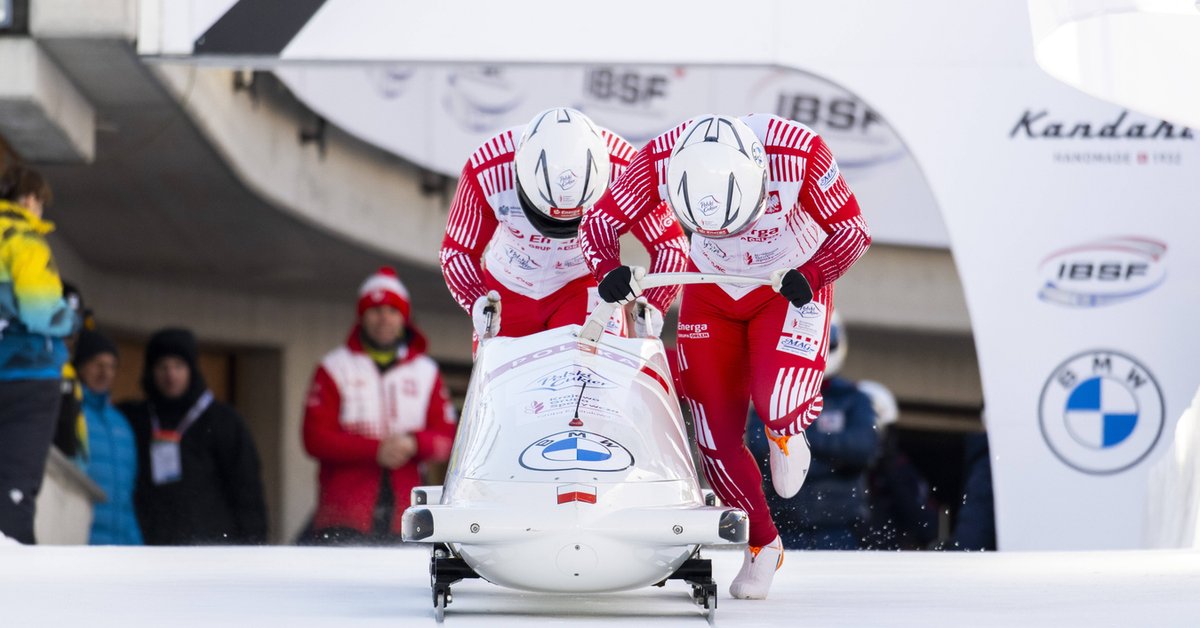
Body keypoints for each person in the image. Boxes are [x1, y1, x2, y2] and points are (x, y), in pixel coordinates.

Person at [580, 114, 871, 598]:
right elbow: (601, 222)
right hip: (710, 291)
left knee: (776, 400)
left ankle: (785, 431)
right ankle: (762, 544)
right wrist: (607, 269)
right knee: (714, 434)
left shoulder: (800, 152)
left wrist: (815, 272)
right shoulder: (660, 157)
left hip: (787, 287)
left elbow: (853, 230)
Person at [440, 107, 688, 342]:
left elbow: (670, 243)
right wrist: (475, 299)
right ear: (519, 175)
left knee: (592, 377)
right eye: (547, 217)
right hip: (507, 290)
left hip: (580, 285)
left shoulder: (627, 169)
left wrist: (655, 302)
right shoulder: (487, 168)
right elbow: (457, 250)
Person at [302, 267, 458, 544]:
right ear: (361, 316)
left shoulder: (426, 372)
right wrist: (375, 450)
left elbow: (447, 438)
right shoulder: (334, 367)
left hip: (408, 512)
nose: (384, 318)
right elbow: (314, 439)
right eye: (375, 310)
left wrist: (413, 443)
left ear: (404, 317)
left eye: (392, 310)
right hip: (344, 513)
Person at [121, 327, 268, 545]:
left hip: (211, 548)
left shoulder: (223, 420)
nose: (171, 375)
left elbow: (247, 490)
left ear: (192, 370)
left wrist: (253, 545)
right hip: (149, 546)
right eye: (163, 367)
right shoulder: (134, 419)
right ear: (151, 372)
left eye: (178, 366)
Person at [746, 311, 879, 550]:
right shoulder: (775, 395)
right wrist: (832, 457)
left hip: (839, 528)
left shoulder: (854, 398)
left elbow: (863, 448)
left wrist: (797, 444)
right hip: (786, 526)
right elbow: (758, 447)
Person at [0, 164, 75, 544]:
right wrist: (69, 319)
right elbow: (38, 309)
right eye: (40, 202)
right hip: (27, 373)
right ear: (27, 199)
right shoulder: (23, 239)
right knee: (16, 484)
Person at [75, 329, 142, 545]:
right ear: (80, 365)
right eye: (97, 363)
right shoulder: (68, 414)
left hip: (119, 549)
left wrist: (136, 547)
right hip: (79, 543)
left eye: (111, 366)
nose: (105, 373)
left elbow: (126, 499)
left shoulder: (121, 424)